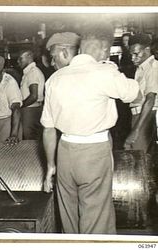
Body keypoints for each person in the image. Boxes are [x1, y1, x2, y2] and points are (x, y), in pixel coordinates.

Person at [41, 23, 140, 234]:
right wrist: (112, 68)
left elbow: (48, 129)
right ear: (105, 50)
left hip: (64, 152)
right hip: (94, 152)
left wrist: (50, 166)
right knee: (96, 218)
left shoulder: (54, 80)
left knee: (69, 216)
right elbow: (136, 95)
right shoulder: (104, 73)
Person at [124, 33, 158, 152]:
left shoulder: (152, 67)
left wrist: (136, 130)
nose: (133, 58)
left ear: (147, 50)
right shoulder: (141, 68)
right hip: (139, 116)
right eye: (131, 55)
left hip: (145, 116)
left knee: (139, 157)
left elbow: (150, 100)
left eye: (136, 54)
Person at [17, 50, 45, 140]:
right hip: (32, 109)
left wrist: (20, 106)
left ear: (29, 57)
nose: (18, 61)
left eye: (20, 58)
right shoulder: (30, 72)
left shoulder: (32, 72)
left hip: (30, 110)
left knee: (30, 138)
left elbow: (33, 96)